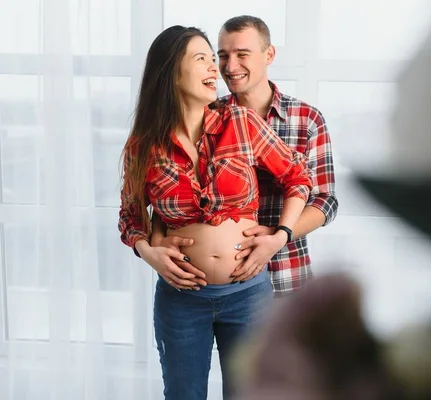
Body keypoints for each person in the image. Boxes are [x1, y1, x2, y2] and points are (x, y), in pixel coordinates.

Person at [118, 25, 313, 400]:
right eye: (202, 59)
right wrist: (150, 253)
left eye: (213, 58)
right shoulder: (142, 145)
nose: (215, 68)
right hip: (181, 299)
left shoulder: (239, 122)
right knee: (183, 394)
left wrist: (282, 234)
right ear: (172, 72)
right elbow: (129, 215)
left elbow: (297, 176)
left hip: (247, 295)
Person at [153, 15, 338, 297]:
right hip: (210, 286)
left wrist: (278, 236)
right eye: (223, 56)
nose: (230, 66)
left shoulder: (306, 119)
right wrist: (156, 241)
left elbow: (325, 199)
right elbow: (170, 191)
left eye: (242, 54)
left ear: (269, 54)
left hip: (286, 271)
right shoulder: (206, 116)